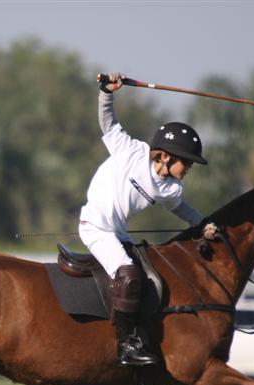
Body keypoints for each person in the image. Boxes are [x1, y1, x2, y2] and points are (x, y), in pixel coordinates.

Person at [79, 72, 213, 367]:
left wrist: (203, 223)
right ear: (165, 157)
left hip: (118, 232)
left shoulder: (170, 188)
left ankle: (144, 336)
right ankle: (125, 345)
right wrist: (106, 92)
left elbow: (180, 208)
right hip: (95, 226)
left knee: (151, 279)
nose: (188, 168)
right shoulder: (132, 151)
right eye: (186, 162)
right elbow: (108, 122)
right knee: (128, 275)